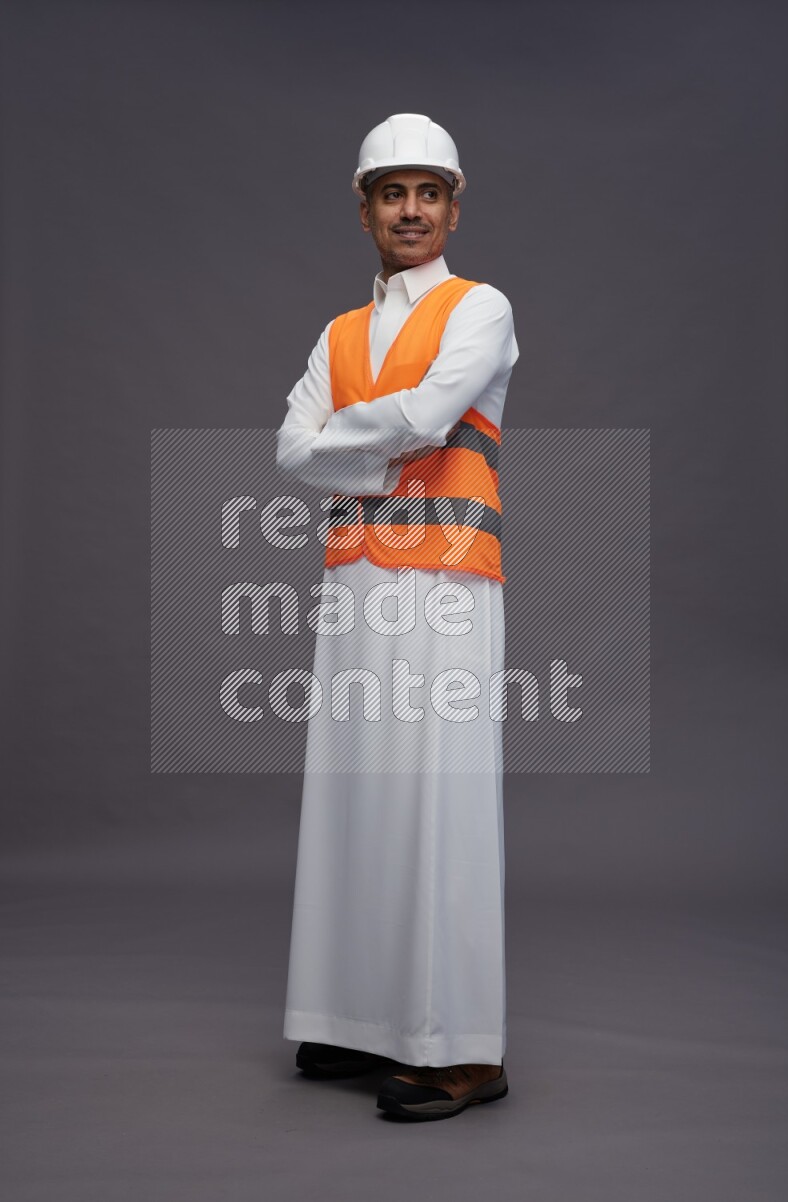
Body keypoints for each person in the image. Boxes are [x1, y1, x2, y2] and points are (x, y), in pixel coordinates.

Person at [276, 113, 519, 1121]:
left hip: (447, 582)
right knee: (353, 793)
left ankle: (461, 1048)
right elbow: (290, 451)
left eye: (427, 191)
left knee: (441, 797)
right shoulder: (335, 332)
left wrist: (351, 443)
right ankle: (353, 1016)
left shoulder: (481, 307)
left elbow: (426, 416)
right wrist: (364, 442)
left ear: (452, 204)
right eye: (391, 192)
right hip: (355, 583)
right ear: (364, 207)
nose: (409, 210)